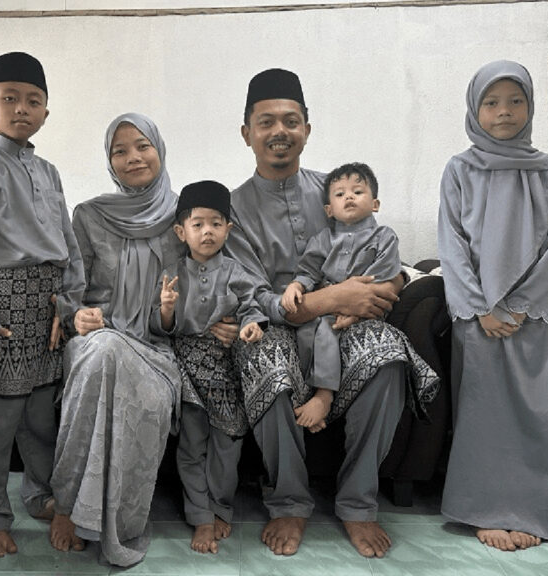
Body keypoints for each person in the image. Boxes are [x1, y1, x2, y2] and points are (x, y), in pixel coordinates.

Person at [226, 68, 436, 559]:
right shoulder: (232, 209)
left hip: (344, 327)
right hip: (277, 324)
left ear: (307, 129)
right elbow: (252, 296)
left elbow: (379, 253)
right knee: (263, 359)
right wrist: (334, 297)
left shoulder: (338, 189)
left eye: (291, 120)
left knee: (387, 356)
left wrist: (390, 285)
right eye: (266, 122)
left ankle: (358, 502)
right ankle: (289, 501)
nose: (279, 131)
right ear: (247, 133)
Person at [0, 51, 85, 558]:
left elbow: (66, 242)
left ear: (46, 111)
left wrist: (68, 303)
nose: (21, 108)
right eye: (9, 98)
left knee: (42, 417)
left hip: (47, 307)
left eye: (33, 100)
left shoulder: (48, 171)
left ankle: (40, 495)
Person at [49, 113, 201, 567]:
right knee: (103, 350)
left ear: (159, 150)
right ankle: (66, 506)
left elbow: (201, 291)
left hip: (156, 347)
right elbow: (71, 292)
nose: (133, 157)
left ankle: (110, 518)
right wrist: (76, 315)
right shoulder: (89, 216)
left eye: (142, 146)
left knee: (114, 357)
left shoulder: (186, 217)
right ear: (109, 161)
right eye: (120, 151)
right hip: (96, 339)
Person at [437, 60, 548, 552]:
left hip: (531, 317)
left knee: (539, 414)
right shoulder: (460, 170)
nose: (504, 112)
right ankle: (486, 510)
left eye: (516, 101)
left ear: (530, 107)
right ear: (475, 110)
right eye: (491, 103)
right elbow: (451, 244)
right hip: (479, 318)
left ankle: (534, 509)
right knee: (484, 415)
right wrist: (480, 309)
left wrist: (521, 306)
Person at [153, 179, 269, 554]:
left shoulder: (236, 272)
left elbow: (252, 307)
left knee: (227, 445)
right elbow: (161, 326)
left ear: (228, 229)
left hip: (225, 370)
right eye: (198, 224)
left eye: (216, 224)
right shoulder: (170, 273)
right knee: (191, 446)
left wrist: (251, 325)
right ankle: (200, 516)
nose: (207, 232)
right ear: (181, 232)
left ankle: (220, 507)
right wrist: (166, 309)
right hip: (186, 369)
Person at [281, 162, 437, 433]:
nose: (349, 197)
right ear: (329, 210)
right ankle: (310, 397)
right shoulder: (323, 239)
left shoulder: (384, 237)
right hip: (328, 305)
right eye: (340, 194)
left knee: (326, 332)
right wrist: (296, 285)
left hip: (366, 308)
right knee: (306, 332)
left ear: (375, 204)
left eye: (357, 191)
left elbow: (383, 275)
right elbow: (308, 270)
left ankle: (324, 395)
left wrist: (353, 311)